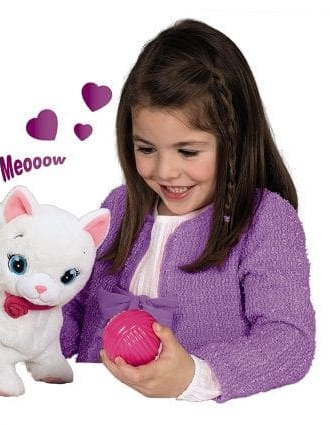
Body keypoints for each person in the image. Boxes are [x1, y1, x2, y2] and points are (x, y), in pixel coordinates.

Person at [60, 18, 315, 403]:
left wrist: (195, 375)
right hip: (95, 408)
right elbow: (72, 305)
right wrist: (23, 324)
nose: (165, 172)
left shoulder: (265, 221)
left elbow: (289, 341)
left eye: (188, 151)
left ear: (234, 142)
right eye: (146, 148)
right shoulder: (119, 206)